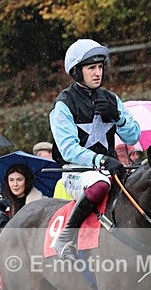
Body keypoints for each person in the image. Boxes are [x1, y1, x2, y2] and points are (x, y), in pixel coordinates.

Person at [49, 38, 141, 260]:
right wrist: (100, 160)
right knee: (99, 183)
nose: (98, 73)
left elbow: (134, 136)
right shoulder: (63, 105)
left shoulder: (111, 99)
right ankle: (65, 238)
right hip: (76, 173)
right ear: (77, 71)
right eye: (91, 68)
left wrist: (118, 117)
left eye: (100, 67)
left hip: (111, 170)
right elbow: (68, 149)